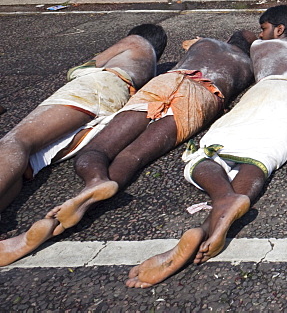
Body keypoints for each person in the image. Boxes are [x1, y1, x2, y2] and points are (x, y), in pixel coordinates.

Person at [125, 7, 287, 287]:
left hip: (264, 91)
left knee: (208, 153)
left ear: (278, 30)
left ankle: (222, 198)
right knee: (260, 160)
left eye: (264, 27)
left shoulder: (260, 45)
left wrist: (202, 42)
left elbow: (244, 38)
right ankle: (205, 229)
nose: (259, 33)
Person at [0, 33, 254, 267]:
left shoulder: (205, 43)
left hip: (166, 81)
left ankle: (95, 179)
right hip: (206, 94)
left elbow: (190, 46)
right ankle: (70, 212)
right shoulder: (245, 63)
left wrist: (194, 43)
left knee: (99, 149)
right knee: (132, 159)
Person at [0, 24, 165, 214]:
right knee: (27, 166)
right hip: (117, 103)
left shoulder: (136, 42)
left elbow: (82, 68)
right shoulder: (150, 69)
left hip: (96, 85)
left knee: (18, 140)